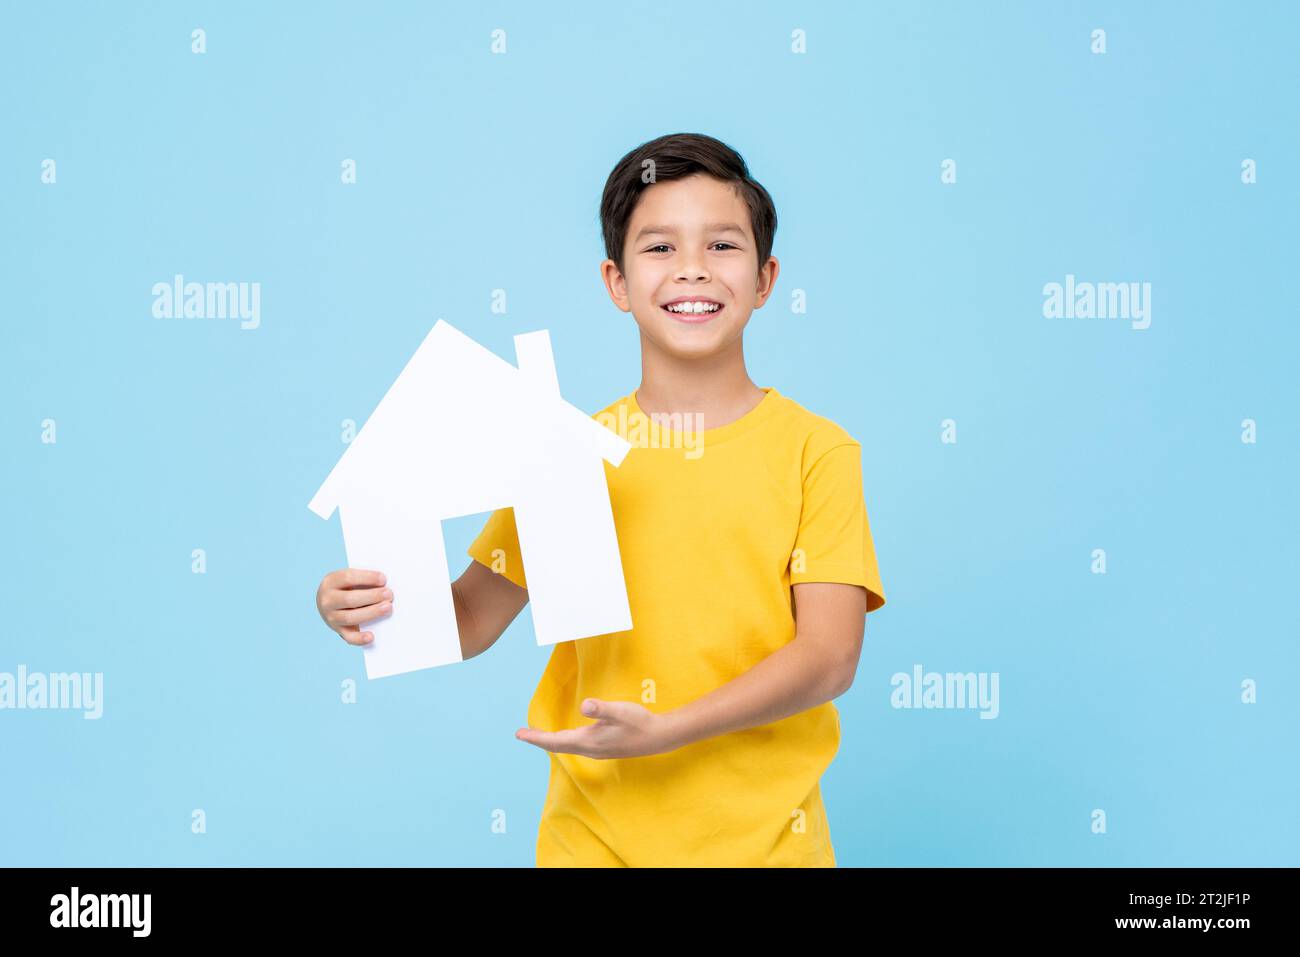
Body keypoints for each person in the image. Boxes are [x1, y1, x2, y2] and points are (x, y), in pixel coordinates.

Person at [315, 132, 886, 866]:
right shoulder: (564, 451)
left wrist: (667, 728)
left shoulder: (818, 452)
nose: (691, 270)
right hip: (592, 839)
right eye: (658, 248)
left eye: (722, 246)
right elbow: (468, 619)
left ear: (766, 277)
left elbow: (830, 655)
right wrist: (362, 604)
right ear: (615, 282)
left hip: (769, 844)